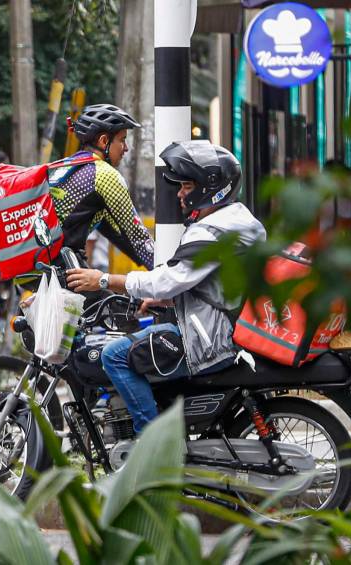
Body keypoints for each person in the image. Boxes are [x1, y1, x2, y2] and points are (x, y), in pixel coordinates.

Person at [66, 140, 266, 433]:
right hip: (221, 330)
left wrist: (104, 280)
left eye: (187, 186)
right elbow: (213, 285)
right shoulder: (235, 220)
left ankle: (153, 447)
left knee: (114, 355)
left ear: (208, 187)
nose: (181, 194)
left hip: (208, 341)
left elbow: (166, 280)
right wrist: (167, 301)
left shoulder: (212, 231)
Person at [51, 104, 154, 270]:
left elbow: (114, 231)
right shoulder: (104, 174)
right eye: (122, 140)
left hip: (42, 266)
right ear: (104, 141)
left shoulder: (69, 166)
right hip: (61, 268)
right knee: (116, 295)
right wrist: (167, 276)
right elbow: (138, 237)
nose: (125, 148)